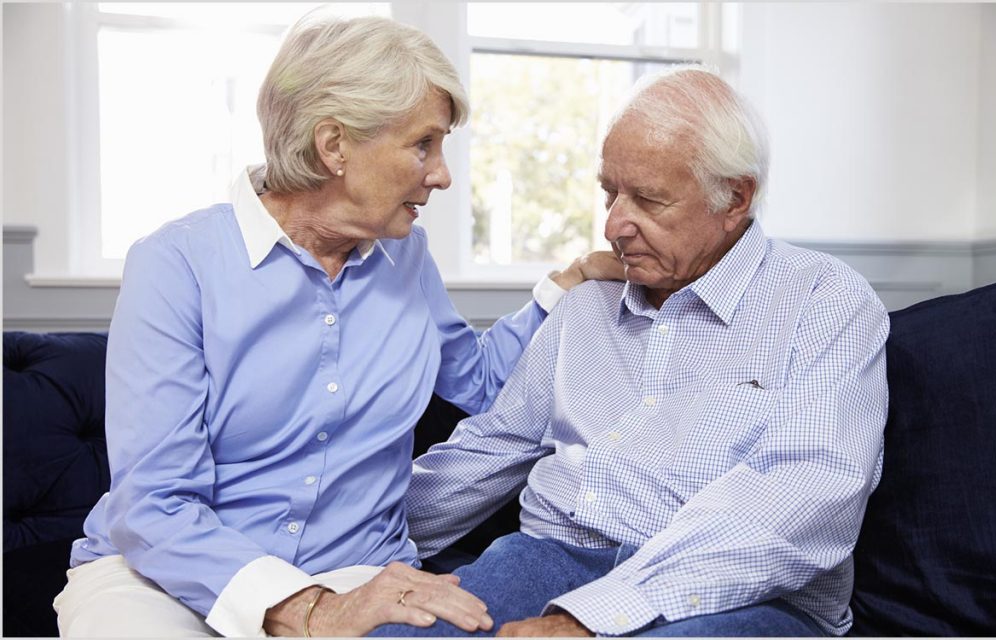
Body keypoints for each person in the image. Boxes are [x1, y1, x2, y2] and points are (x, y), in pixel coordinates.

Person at [52, 13, 622, 638]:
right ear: (334, 146)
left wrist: (564, 288)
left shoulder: (406, 256)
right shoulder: (176, 264)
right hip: (164, 581)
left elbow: (481, 383)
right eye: (423, 144)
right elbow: (154, 507)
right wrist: (309, 609)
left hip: (359, 573)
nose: (442, 173)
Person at [369, 66, 890, 638]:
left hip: (740, 592)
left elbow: (807, 496)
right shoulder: (586, 307)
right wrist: (343, 551)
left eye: (647, 199)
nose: (615, 224)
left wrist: (591, 619)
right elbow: (491, 451)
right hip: (549, 556)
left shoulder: (825, 301)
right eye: (609, 192)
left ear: (735, 198)